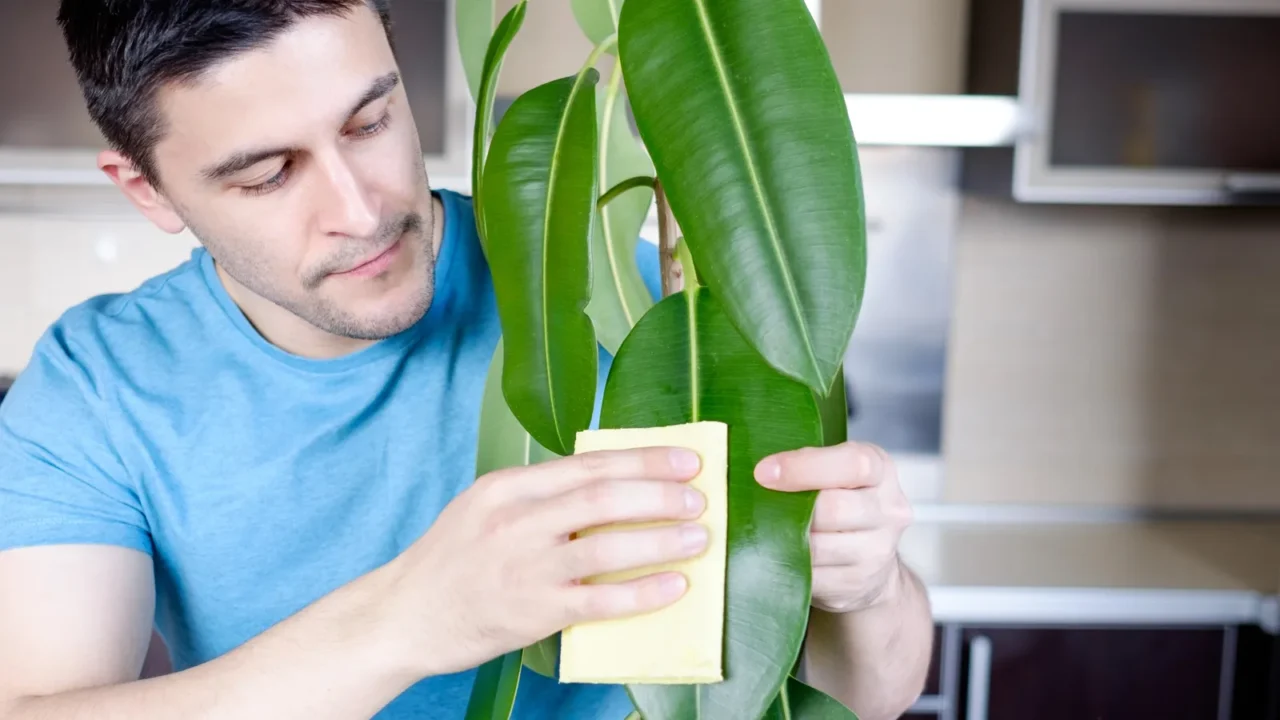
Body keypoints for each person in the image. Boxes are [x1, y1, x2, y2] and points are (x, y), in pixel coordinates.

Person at [0, 2, 934, 719]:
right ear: (147, 189)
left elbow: (872, 694)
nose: (361, 211)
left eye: (369, 122)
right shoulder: (97, 386)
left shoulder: (638, 296)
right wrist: (409, 620)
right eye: (267, 174)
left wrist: (869, 587)